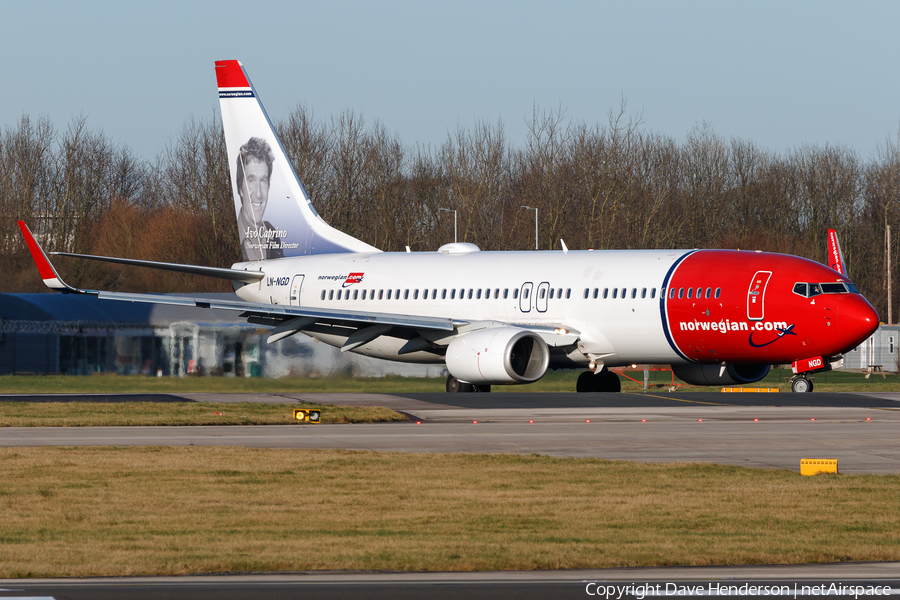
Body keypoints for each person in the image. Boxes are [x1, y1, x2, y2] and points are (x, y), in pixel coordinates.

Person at [235, 137, 285, 260]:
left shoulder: (273, 234)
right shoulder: (230, 235)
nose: (258, 194)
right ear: (240, 188)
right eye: (251, 180)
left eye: (263, 181)